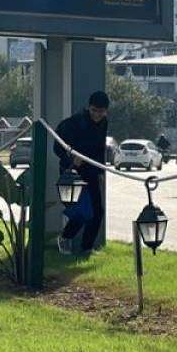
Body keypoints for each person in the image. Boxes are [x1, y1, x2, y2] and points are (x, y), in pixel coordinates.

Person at [53, 91, 109, 255]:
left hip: (91, 170)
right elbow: (57, 147)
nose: (97, 115)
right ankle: (64, 237)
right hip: (71, 172)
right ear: (88, 108)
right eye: (94, 111)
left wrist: (100, 172)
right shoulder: (73, 123)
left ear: (106, 111)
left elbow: (100, 148)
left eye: (101, 111)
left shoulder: (104, 122)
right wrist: (72, 158)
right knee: (83, 211)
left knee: (98, 211)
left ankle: (87, 247)